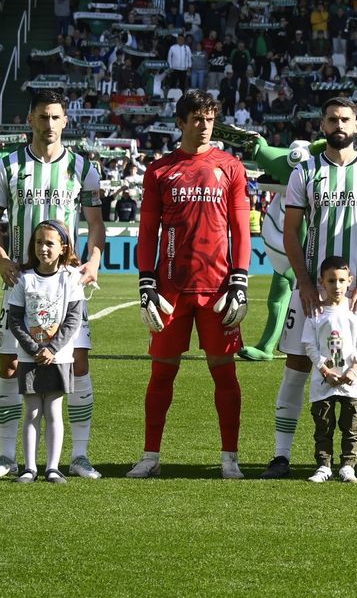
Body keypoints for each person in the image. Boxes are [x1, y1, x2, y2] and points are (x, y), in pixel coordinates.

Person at [263, 98, 357, 481]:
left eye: (346, 119)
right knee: (296, 367)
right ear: (322, 126)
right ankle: (280, 456)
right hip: (311, 292)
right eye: (332, 119)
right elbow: (290, 232)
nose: (339, 125)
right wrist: (303, 281)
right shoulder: (305, 172)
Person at [0, 90, 106, 481]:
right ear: (30, 120)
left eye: (56, 117)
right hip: (22, 281)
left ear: (65, 121)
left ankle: (80, 457)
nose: (49, 124)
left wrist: (94, 262)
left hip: (67, 284)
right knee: (10, 364)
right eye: (42, 117)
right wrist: (1, 258)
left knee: (78, 363)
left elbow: (96, 225)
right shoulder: (8, 166)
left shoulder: (82, 168)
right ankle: (6, 457)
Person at [130, 90, 252, 479]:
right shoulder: (160, 170)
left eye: (210, 119)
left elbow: (240, 226)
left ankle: (229, 457)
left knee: (224, 372)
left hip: (218, 289)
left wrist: (241, 278)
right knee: (162, 373)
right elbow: (148, 229)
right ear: (180, 122)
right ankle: (150, 456)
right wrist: (146, 281)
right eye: (196, 119)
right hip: (170, 290)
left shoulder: (230, 167)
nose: (204, 127)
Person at [212, 126, 324, 362]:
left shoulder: (303, 204)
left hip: (296, 264)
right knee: (275, 302)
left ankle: (321, 345)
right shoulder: (282, 200)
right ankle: (266, 346)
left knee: (305, 304)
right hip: (281, 263)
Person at [5, 221, 87, 485]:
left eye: (50, 243)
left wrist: (52, 349)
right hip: (31, 356)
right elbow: (14, 320)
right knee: (30, 412)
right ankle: (29, 468)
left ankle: (53, 468)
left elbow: (73, 319)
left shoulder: (70, 278)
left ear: (63, 248)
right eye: (39, 242)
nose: (43, 248)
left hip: (59, 357)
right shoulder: (24, 278)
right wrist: (35, 349)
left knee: (53, 411)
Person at [304, 256, 357, 484]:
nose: (337, 286)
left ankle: (348, 466)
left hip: (352, 380)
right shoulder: (316, 313)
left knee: (352, 425)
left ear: (350, 280)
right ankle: (323, 466)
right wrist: (324, 370)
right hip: (325, 381)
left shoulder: (356, 312)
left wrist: (353, 369)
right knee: (323, 425)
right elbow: (310, 345)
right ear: (322, 282)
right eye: (331, 281)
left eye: (341, 280)